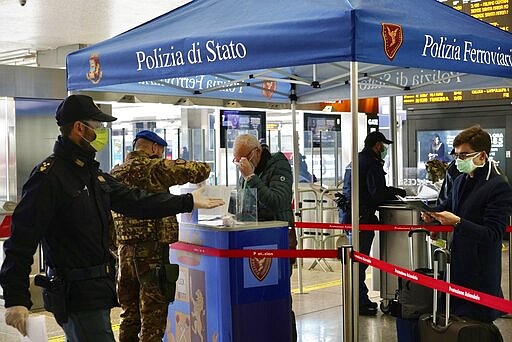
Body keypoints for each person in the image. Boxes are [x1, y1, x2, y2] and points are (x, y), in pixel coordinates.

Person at [0, 95, 224, 340]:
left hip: (98, 288)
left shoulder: (92, 175)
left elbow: (136, 201)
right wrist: (16, 298)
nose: (100, 133)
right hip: (76, 292)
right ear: (79, 128)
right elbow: (21, 238)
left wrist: (187, 201)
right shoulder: (51, 177)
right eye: (96, 127)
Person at [110, 130, 211, 342]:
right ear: (155, 148)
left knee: (129, 316)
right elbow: (199, 170)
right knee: (153, 319)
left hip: (123, 256)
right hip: (152, 255)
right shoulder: (155, 167)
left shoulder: (115, 173)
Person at [421, 125, 512, 323]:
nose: (458, 161)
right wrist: (432, 215)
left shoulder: (498, 186)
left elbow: (493, 234)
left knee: (478, 326)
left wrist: (458, 222)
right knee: (458, 324)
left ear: (482, 156)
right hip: (458, 267)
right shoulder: (461, 180)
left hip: (481, 271)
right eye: (456, 155)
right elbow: (447, 206)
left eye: (464, 156)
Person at [232, 134, 297, 341]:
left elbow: (277, 202)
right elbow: (243, 204)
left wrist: (251, 177)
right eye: (236, 160)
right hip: (252, 241)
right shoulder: (247, 169)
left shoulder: (278, 165)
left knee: (279, 299)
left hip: (276, 242)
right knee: (255, 301)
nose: (240, 164)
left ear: (257, 152)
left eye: (242, 158)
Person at [340, 131, 406, 316]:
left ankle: (356, 299)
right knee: (360, 263)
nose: (384, 149)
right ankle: (360, 302)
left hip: (349, 217)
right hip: (362, 219)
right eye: (383, 145)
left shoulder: (355, 161)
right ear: (377, 145)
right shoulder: (372, 164)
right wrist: (399, 191)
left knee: (355, 261)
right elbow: (377, 192)